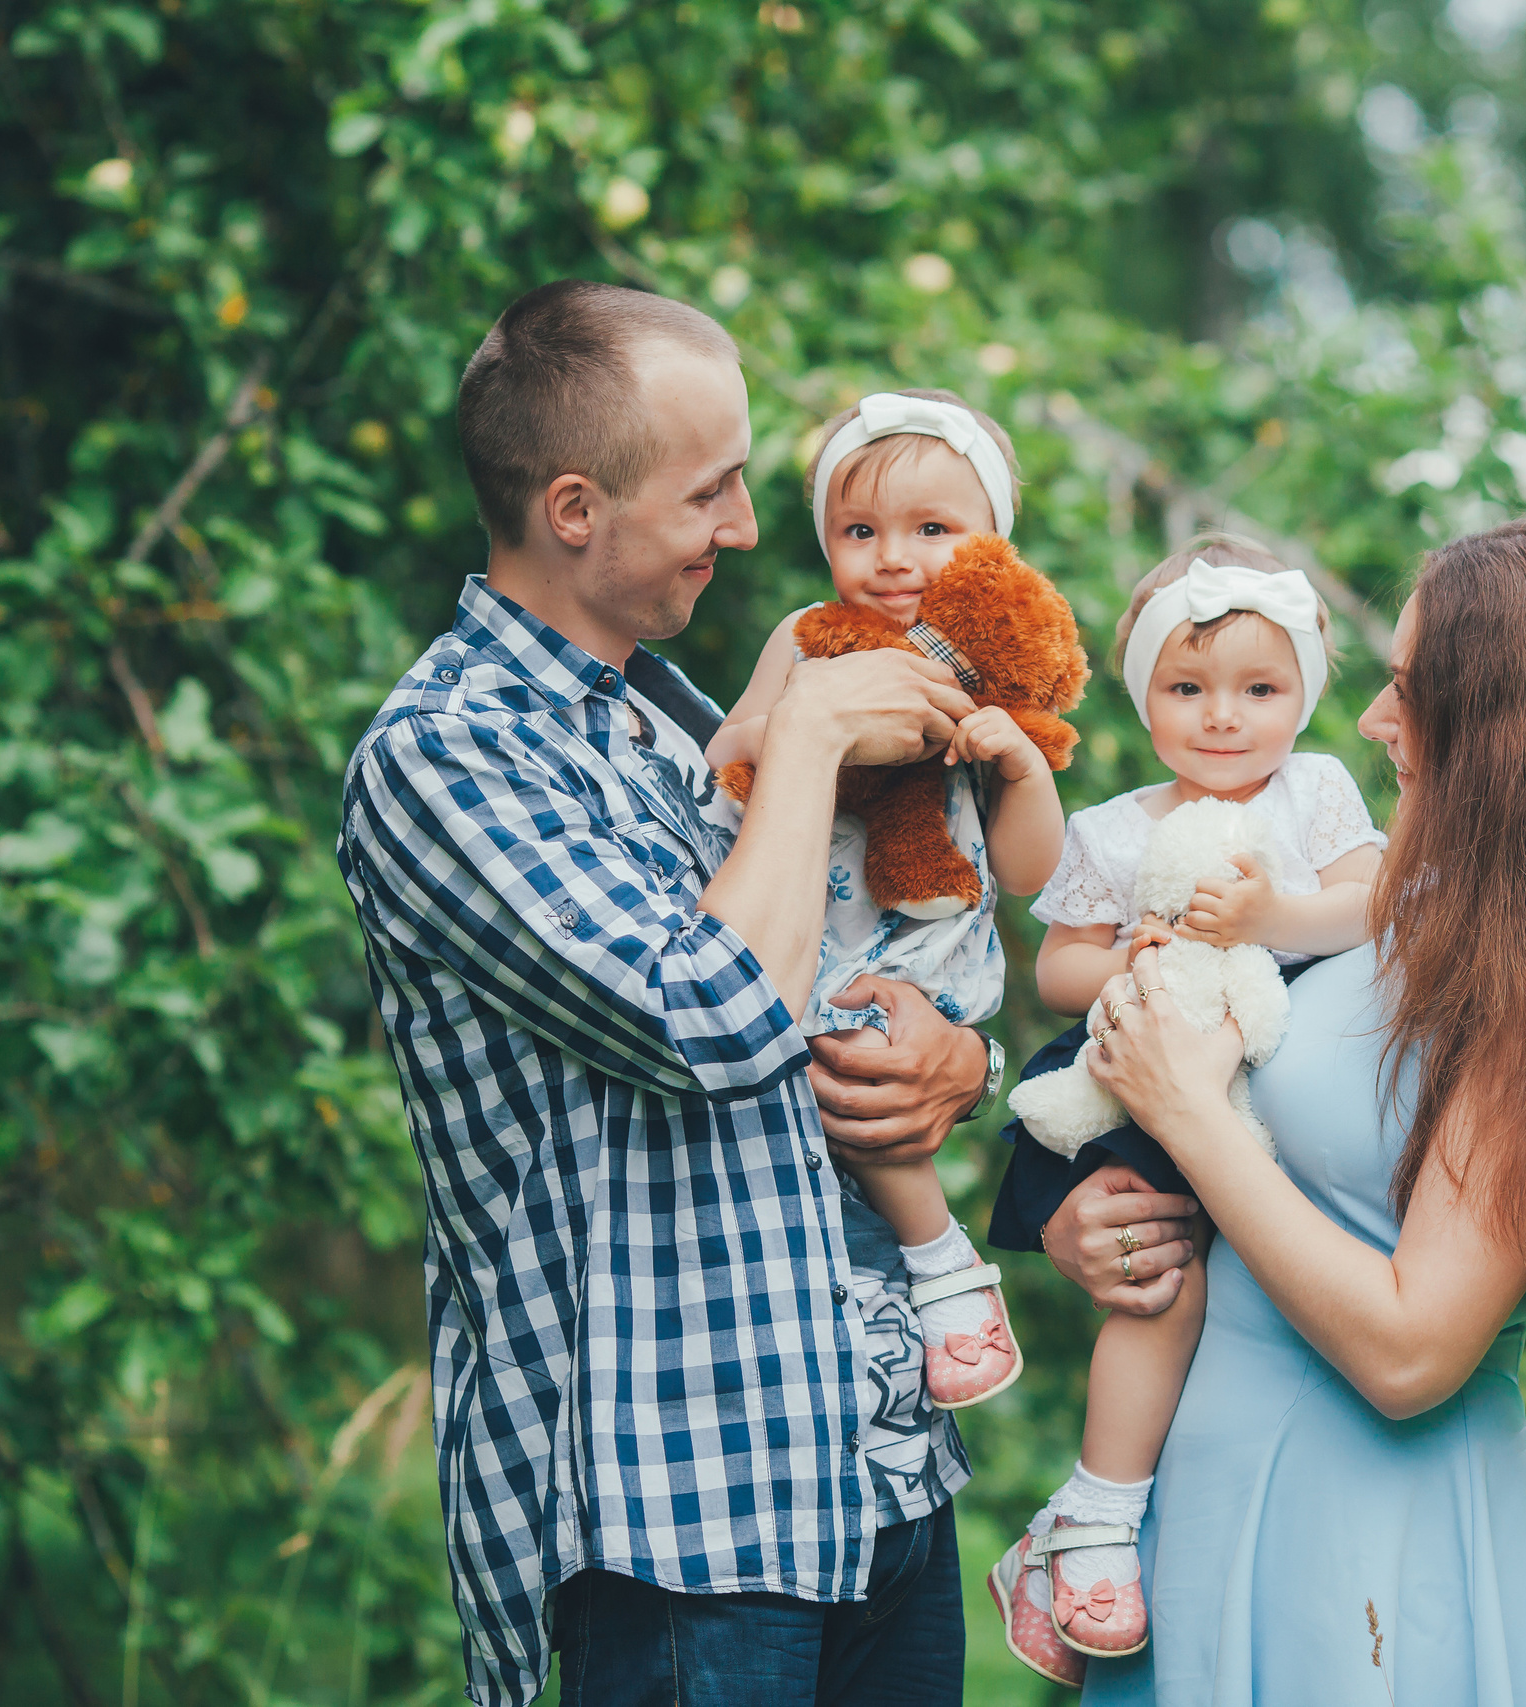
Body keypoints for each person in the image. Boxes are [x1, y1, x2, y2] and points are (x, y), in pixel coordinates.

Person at [337, 280, 1005, 1707]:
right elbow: (708, 1018)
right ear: (574, 509)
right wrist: (811, 737)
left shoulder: (676, 714)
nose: (749, 529)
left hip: (875, 1462)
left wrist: (964, 1056)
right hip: (680, 1523)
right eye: (711, 490)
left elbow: (863, 958)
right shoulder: (447, 753)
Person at [1045, 514, 1526, 1703]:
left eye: (1407, 689)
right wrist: (1102, 1222)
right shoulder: (1408, 905)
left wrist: (1190, 1117)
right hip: (1211, 1503)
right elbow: (1272, 1165)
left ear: (1508, 726)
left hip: (1368, 1556)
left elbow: (1412, 1351)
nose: (1368, 718)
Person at [981, 536, 1385, 1678]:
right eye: (1188, 687)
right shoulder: (1114, 826)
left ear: (1305, 693)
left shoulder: (1316, 791)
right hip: (1152, 1071)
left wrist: (1271, 919)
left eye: (1259, 690)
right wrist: (1132, 955)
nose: (1223, 718)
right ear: (1142, 692)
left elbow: (1372, 903)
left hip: (1273, 1074)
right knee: (1163, 1280)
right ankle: (1097, 1511)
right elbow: (1058, 966)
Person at [707, 388, 1066, 1414]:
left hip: (918, 945)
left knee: (868, 1066)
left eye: (932, 530)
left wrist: (1018, 766)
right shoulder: (807, 638)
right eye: (859, 531)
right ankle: (933, 1264)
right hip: (809, 920)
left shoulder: (988, 668)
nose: (893, 558)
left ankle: (942, 1269)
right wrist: (808, 724)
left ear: (993, 545)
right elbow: (723, 753)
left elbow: (1030, 871)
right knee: (829, 1070)